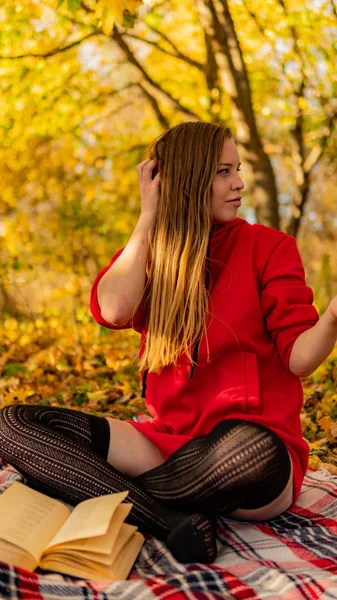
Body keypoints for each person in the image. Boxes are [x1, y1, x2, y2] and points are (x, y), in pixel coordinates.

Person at [0, 121, 321, 565]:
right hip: (167, 444)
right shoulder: (153, 254)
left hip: (244, 460)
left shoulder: (269, 247)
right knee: (13, 423)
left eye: (239, 170)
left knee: (251, 448)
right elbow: (113, 310)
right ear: (188, 180)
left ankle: (91, 485)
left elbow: (300, 358)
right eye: (224, 171)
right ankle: (169, 521)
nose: (240, 183)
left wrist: (336, 317)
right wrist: (148, 215)